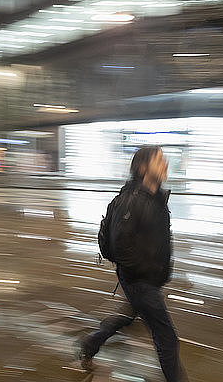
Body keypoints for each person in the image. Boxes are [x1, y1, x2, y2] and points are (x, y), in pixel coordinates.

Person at [77, 145, 187, 382]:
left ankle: (90, 344)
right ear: (144, 167)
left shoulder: (155, 198)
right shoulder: (132, 200)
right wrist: (142, 274)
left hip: (146, 280)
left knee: (127, 316)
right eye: (160, 160)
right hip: (141, 282)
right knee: (167, 339)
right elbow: (119, 245)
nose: (165, 164)